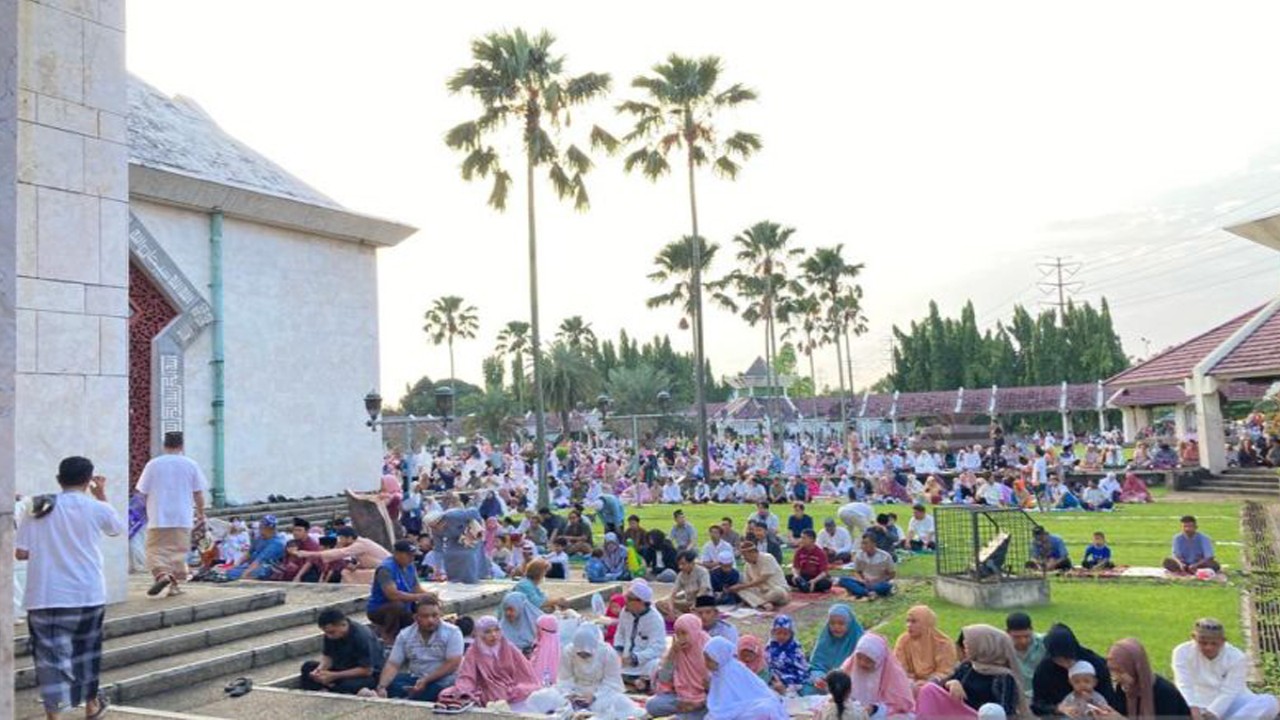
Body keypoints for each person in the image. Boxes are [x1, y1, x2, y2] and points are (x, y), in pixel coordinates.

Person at [18, 457, 123, 720]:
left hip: (46, 594)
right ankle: (90, 705)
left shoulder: (38, 506)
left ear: (58, 479)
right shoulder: (98, 508)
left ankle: (54, 715)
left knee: (48, 658)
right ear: (89, 481)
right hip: (87, 592)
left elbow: (21, 553)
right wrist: (101, 495)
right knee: (87, 651)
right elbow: (116, 530)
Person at [137, 432, 207, 597]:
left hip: (158, 514)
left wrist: (143, 511)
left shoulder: (153, 465)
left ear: (164, 445)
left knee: (155, 550)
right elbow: (198, 493)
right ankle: (174, 586)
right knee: (177, 553)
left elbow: (142, 492)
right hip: (182, 515)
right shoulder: (191, 464)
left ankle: (162, 575)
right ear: (182, 446)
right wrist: (201, 513)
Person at [1173, 617, 1278, 720]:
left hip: (1231, 705)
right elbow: (1184, 684)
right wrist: (1193, 709)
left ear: (1223, 641)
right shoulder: (1182, 652)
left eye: (1214, 643)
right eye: (1203, 643)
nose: (1208, 647)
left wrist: (1212, 714)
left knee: (1269, 702)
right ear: (1193, 638)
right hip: (1195, 704)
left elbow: (1229, 691)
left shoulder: (1236, 656)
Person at [916, 625, 1026, 720]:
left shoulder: (1004, 677)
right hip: (958, 714)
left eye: (969, 645)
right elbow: (945, 690)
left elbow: (1006, 712)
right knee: (928, 689)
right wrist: (952, 683)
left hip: (980, 717)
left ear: (985, 647)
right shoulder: (968, 666)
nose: (965, 648)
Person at [536, 623, 642, 718]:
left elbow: (612, 682)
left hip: (601, 692)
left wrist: (594, 696)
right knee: (543, 696)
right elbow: (564, 678)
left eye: (587, 654)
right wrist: (569, 694)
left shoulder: (607, 653)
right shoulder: (569, 651)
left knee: (618, 703)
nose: (583, 656)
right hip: (576, 689)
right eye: (580, 654)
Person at [368, 598, 463, 701]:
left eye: (434, 615)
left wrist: (426, 680)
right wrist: (382, 687)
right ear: (416, 617)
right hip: (416, 678)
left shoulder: (452, 632)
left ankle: (411, 697)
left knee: (439, 689)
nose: (430, 620)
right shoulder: (405, 634)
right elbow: (393, 664)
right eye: (425, 616)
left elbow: (453, 663)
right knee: (390, 683)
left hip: (443, 679)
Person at [436, 616, 540, 710]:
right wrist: (464, 690)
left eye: (496, 630)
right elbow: (467, 676)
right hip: (483, 686)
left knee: (508, 692)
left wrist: (517, 685)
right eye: (487, 632)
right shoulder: (474, 651)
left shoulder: (508, 647)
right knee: (446, 694)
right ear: (480, 633)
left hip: (509, 685)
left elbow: (525, 670)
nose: (493, 635)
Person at [1032, 623, 1117, 716]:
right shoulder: (1045, 669)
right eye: (1059, 660)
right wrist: (1057, 708)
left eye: (1068, 659)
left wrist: (1093, 702)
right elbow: (1037, 705)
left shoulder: (1096, 664)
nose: (1066, 665)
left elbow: (1110, 699)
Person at [366, 540, 438, 644]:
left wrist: (429, 596)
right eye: (408, 555)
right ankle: (388, 636)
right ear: (397, 554)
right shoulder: (386, 569)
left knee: (427, 605)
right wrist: (419, 597)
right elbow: (392, 595)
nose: (411, 558)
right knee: (397, 606)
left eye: (413, 556)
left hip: (406, 606)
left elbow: (416, 588)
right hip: (380, 608)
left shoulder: (410, 566)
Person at [704, 636, 790, 720]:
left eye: (709, 659)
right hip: (739, 708)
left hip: (750, 706)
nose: (705, 663)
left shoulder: (732, 672)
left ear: (720, 657)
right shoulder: (718, 674)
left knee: (764, 710)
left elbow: (731, 704)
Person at [299, 607, 382, 694]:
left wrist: (334, 676)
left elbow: (366, 670)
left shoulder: (361, 636)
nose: (329, 636)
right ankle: (327, 688)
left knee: (349, 684)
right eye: (326, 633)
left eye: (332, 632)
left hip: (364, 674)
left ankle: (333, 688)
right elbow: (328, 656)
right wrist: (319, 671)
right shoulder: (331, 635)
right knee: (308, 667)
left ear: (343, 624)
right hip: (341, 668)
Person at [645, 613, 710, 720]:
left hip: (706, 701)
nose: (681, 638)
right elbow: (664, 678)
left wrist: (700, 703)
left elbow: (720, 691)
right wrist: (672, 653)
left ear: (694, 631)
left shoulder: (709, 649)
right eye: (677, 634)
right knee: (652, 705)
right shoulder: (678, 650)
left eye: (684, 633)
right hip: (682, 698)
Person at [1107, 637, 1191, 719]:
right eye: (1112, 670)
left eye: (1120, 671)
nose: (1115, 677)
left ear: (1135, 668)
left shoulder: (1165, 694)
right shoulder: (1124, 688)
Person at [839, 633, 916, 717]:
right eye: (859, 657)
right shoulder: (850, 666)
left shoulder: (892, 674)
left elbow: (901, 705)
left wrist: (875, 708)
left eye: (868, 660)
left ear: (879, 659)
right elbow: (838, 688)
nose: (862, 663)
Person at [613, 579, 668, 682]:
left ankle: (642, 682)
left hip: (643, 664)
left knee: (655, 664)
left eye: (629, 599)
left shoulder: (655, 619)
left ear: (641, 602)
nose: (625, 601)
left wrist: (636, 658)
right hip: (623, 662)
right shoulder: (625, 613)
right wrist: (618, 652)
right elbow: (619, 634)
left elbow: (657, 648)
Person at [294, 526, 389, 585]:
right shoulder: (357, 544)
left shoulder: (360, 544)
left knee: (345, 573)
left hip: (385, 570)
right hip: (376, 568)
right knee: (346, 571)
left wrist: (309, 553)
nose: (339, 540)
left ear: (350, 538)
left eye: (341, 538)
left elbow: (340, 553)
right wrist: (357, 566)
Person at [805, 604, 864, 695]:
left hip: (849, 683)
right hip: (826, 683)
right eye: (832, 623)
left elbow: (862, 671)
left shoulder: (859, 641)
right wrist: (819, 678)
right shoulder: (825, 640)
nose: (836, 627)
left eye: (841, 623)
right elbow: (816, 665)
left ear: (850, 624)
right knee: (806, 689)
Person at [894, 605, 958, 688]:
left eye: (914, 621)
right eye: (907, 621)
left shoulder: (943, 643)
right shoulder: (903, 640)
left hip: (938, 686)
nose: (908, 625)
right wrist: (911, 682)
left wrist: (929, 683)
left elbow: (946, 671)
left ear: (926, 623)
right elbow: (898, 667)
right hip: (910, 685)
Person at [428, 506, 487, 583]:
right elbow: (438, 549)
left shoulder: (454, 515)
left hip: (470, 533)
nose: (435, 528)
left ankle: (471, 579)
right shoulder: (435, 531)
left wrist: (477, 526)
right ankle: (454, 579)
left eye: (435, 525)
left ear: (441, 520)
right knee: (449, 554)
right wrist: (437, 568)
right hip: (453, 539)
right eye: (432, 527)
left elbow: (474, 511)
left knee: (467, 554)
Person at [730, 541, 790, 611]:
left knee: (778, 591)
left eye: (745, 555)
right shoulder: (747, 565)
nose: (744, 558)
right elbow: (747, 583)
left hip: (775, 590)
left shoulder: (767, 558)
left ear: (753, 553)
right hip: (761, 592)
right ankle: (764, 603)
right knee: (740, 591)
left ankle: (757, 602)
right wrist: (739, 587)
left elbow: (763, 579)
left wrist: (742, 586)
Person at [225, 515, 287, 581]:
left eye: (261, 527)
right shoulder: (260, 538)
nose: (260, 529)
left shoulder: (277, 543)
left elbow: (259, 561)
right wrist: (236, 565)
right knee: (228, 572)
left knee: (257, 571)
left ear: (268, 529)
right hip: (251, 564)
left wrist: (244, 575)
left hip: (267, 568)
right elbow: (249, 553)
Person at [659, 550, 715, 619]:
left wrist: (695, 604)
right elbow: (673, 593)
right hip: (689, 603)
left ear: (692, 563)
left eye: (683, 564)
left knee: (701, 612)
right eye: (679, 564)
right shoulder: (681, 575)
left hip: (702, 602)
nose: (680, 567)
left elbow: (703, 590)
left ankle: (685, 618)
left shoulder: (702, 572)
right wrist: (671, 608)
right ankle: (683, 618)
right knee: (660, 604)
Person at [837, 533, 895, 599]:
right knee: (843, 580)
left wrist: (879, 580)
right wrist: (861, 580)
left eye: (866, 543)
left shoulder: (885, 556)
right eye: (862, 543)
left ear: (874, 544)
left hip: (879, 583)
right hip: (865, 582)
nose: (863, 546)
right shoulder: (859, 555)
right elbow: (856, 572)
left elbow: (892, 574)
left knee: (885, 586)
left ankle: (862, 592)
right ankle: (868, 593)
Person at [767, 615, 811, 694]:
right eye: (779, 633)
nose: (782, 636)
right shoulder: (771, 645)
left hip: (791, 673)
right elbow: (767, 660)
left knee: (791, 686)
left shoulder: (794, 647)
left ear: (791, 634)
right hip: (775, 673)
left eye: (785, 633)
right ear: (773, 632)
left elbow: (801, 665)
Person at [1005, 612, 1045, 697]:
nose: (1023, 641)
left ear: (1032, 630)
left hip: (1043, 695)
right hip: (1016, 697)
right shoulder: (1000, 648)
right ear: (1007, 633)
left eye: (1027, 636)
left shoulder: (1045, 643)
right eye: (1017, 637)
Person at [499, 591, 544, 656]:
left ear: (520, 608)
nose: (507, 613)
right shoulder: (498, 628)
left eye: (511, 609)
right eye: (505, 609)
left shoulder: (541, 623)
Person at [789, 529, 833, 593]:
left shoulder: (820, 553)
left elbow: (824, 572)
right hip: (803, 577)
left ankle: (804, 587)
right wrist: (796, 576)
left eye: (804, 538)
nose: (801, 540)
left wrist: (814, 581)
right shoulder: (799, 551)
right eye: (801, 538)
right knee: (787, 578)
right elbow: (795, 567)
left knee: (826, 583)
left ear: (811, 539)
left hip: (816, 577)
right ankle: (807, 587)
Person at [531, 614, 561, 686]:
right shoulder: (557, 644)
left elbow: (538, 673)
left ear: (542, 629)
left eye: (538, 628)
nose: (536, 630)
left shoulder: (543, 650)